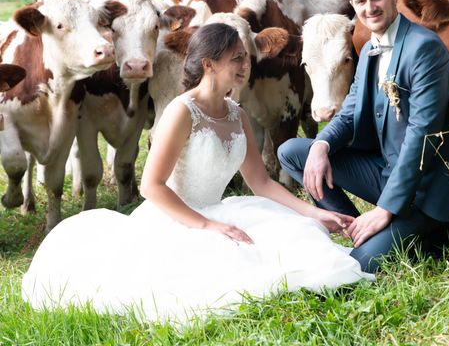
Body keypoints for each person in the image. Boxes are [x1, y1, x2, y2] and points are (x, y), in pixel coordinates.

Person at [22, 23, 373, 324]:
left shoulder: (237, 113)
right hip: (174, 219)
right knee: (217, 276)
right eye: (236, 58)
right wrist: (206, 225)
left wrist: (315, 211)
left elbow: (261, 182)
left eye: (246, 58)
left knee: (296, 240)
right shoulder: (181, 111)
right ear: (209, 63)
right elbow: (151, 186)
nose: (245, 64)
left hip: (220, 208)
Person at [278, 0, 449, 273]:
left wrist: (384, 210)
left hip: (425, 188)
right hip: (385, 172)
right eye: (361, 2)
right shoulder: (372, 48)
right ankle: (356, 229)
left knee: (356, 268)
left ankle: (437, 232)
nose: (369, 8)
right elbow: (349, 113)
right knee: (294, 152)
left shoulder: (423, 48)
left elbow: (421, 136)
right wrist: (321, 145)